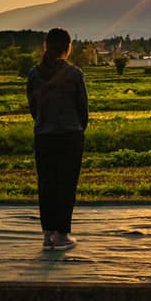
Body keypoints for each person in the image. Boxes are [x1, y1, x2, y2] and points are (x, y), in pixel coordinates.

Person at [26, 27, 89, 251]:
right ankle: (62, 234)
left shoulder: (34, 73)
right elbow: (83, 110)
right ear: (68, 48)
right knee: (66, 185)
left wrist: (44, 122)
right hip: (70, 135)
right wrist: (79, 129)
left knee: (47, 184)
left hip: (44, 135)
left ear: (46, 46)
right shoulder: (74, 74)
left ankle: (47, 234)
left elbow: (33, 107)